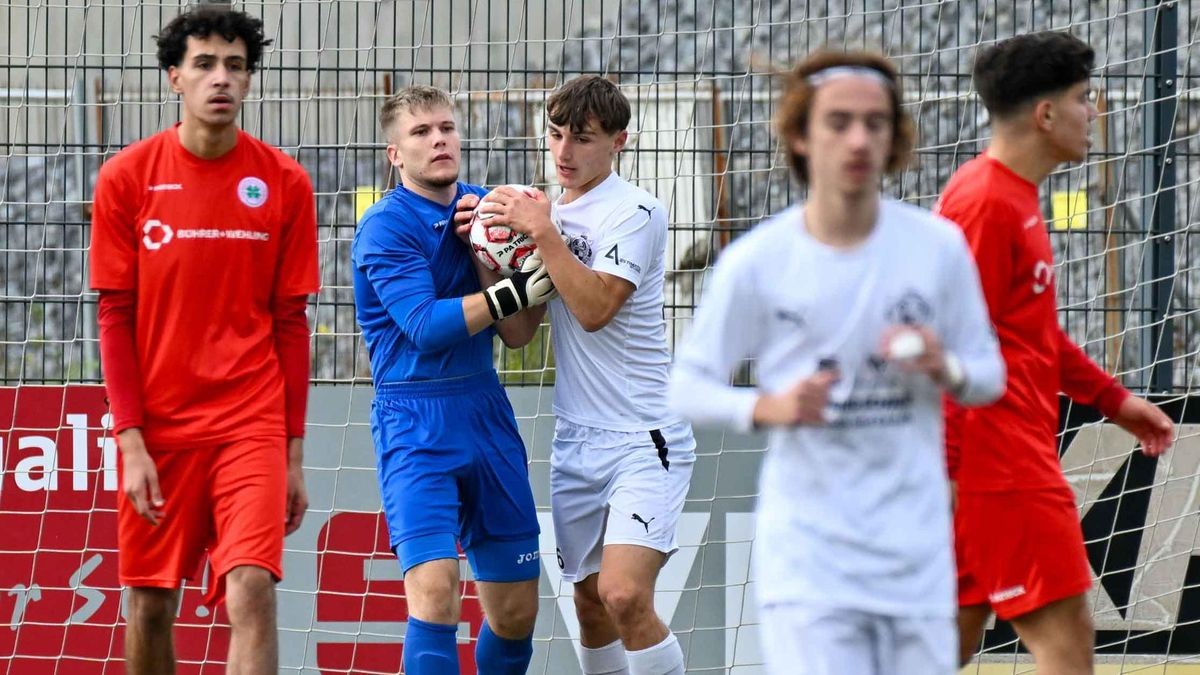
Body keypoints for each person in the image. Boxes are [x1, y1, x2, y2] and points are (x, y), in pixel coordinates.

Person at [668, 50, 1007, 674]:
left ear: (895, 137)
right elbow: (688, 386)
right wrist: (769, 406)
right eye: (839, 121)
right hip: (809, 561)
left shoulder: (936, 248)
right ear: (801, 134)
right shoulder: (760, 260)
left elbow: (989, 376)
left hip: (915, 557)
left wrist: (946, 367)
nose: (858, 139)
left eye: (875, 123)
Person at [88, 7, 316, 674]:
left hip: (250, 421)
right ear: (174, 79)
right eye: (206, 64)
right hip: (160, 429)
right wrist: (130, 440)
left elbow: (290, 324)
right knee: (151, 604)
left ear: (249, 81)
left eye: (236, 66)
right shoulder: (127, 178)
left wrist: (292, 451)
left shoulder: (284, 182)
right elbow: (115, 315)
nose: (222, 78)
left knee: (251, 587)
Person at [939, 31, 1175, 672]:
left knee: (939, 649)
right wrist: (954, 471)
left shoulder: (1009, 195)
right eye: (1085, 97)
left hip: (997, 464)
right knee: (1067, 642)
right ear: (1045, 114)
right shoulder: (984, 204)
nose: (1095, 110)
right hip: (1001, 469)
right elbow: (951, 352)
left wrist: (1117, 401)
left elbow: (1031, 335)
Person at [474, 75, 696, 674]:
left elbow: (596, 310)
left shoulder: (637, 211)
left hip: (644, 437)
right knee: (590, 605)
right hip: (576, 439)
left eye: (583, 138)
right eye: (555, 135)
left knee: (624, 593)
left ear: (620, 141)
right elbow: (521, 335)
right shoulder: (549, 216)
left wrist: (542, 232)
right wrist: (488, 257)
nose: (565, 152)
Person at [351, 85, 553, 675]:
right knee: (437, 596)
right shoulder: (385, 227)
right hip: (415, 421)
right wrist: (513, 289)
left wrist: (506, 258)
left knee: (516, 612)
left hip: (485, 410)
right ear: (395, 154)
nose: (438, 139)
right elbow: (423, 326)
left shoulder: (491, 212)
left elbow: (517, 336)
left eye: (446, 128)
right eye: (420, 132)